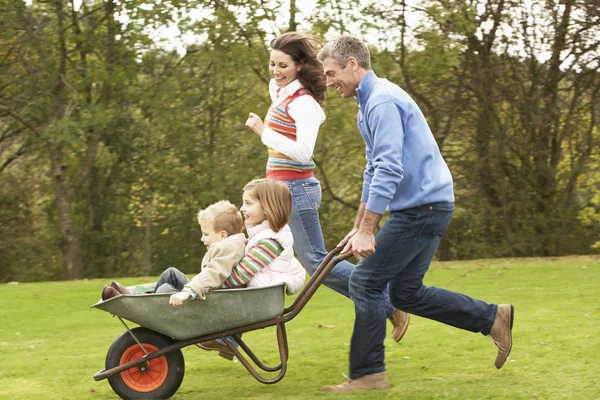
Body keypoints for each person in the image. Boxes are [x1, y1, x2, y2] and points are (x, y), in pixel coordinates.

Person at [316, 36, 514, 392]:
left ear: (351, 64)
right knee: (405, 293)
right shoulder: (369, 104)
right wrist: (360, 226)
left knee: (365, 282)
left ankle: (369, 374)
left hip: (422, 209)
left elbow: (389, 170)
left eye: (332, 73)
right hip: (428, 206)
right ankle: (492, 317)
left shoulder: (381, 102)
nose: (329, 82)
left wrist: (368, 230)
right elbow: (372, 169)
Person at [244, 31, 410, 342]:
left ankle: (389, 304)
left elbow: (303, 152)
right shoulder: (280, 92)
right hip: (279, 192)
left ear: (299, 67)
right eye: (272, 64)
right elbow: (276, 87)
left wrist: (264, 132)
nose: (275, 71)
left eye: (282, 65)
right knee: (256, 246)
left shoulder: (304, 104)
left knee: (317, 262)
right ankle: (226, 329)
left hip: (296, 191)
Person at [198, 178, 307, 358]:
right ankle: (228, 340)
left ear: (267, 207)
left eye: (248, 203)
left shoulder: (270, 241)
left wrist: (210, 286)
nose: (242, 208)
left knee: (223, 288)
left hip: (259, 301)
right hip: (258, 297)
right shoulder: (265, 235)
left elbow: (241, 276)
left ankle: (226, 339)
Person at [101, 200, 247, 305]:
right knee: (170, 274)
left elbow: (214, 273)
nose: (202, 239)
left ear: (223, 235)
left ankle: (138, 303)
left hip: (214, 301)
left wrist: (187, 292)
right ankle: (135, 295)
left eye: (206, 234)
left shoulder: (229, 248)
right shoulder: (230, 244)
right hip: (208, 293)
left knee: (165, 289)